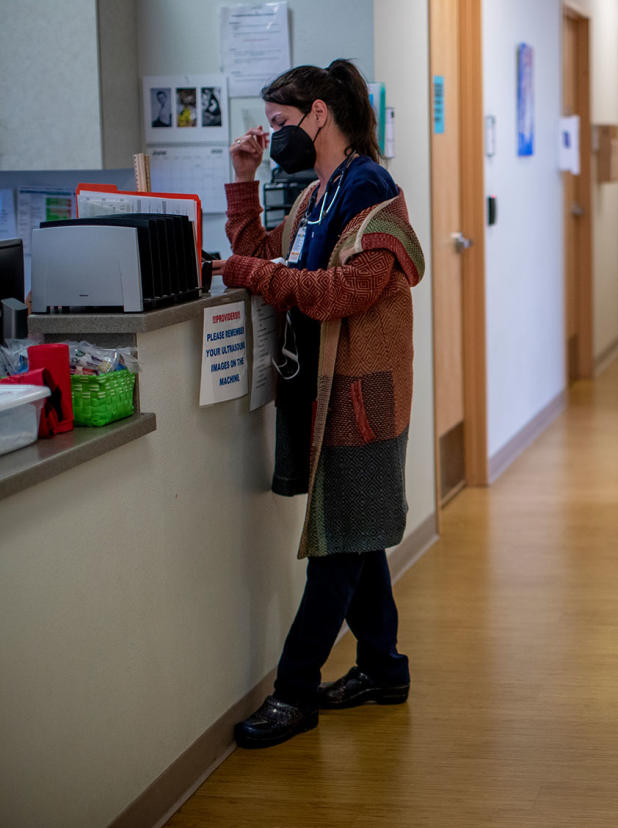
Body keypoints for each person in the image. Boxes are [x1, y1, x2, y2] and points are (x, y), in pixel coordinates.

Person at [213, 59, 425, 749]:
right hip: (332, 394)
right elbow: (264, 255)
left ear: (319, 115)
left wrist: (253, 273)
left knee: (335, 552)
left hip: (364, 399)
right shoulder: (318, 194)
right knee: (356, 538)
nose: (274, 137)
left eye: (280, 125)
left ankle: (293, 692)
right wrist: (243, 180)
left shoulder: (370, 194)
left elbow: (341, 294)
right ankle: (383, 669)